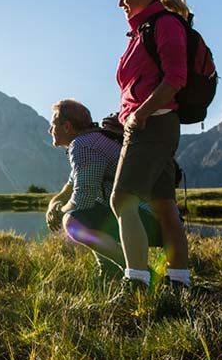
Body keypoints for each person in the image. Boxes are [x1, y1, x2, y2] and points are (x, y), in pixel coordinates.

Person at [111, 0, 191, 290]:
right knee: (163, 206)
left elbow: (176, 79)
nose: (121, 3)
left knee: (122, 199)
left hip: (152, 126)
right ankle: (179, 282)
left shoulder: (165, 24)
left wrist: (140, 115)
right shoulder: (142, 30)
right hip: (153, 125)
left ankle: (137, 283)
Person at [46, 99, 160, 275]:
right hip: (152, 217)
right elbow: (69, 186)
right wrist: (53, 205)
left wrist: (60, 212)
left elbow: (82, 199)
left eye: (53, 125)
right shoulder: (93, 140)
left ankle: (138, 270)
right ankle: (108, 270)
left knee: (73, 221)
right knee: (90, 213)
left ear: (67, 126)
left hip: (145, 219)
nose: (50, 130)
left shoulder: (82, 146)